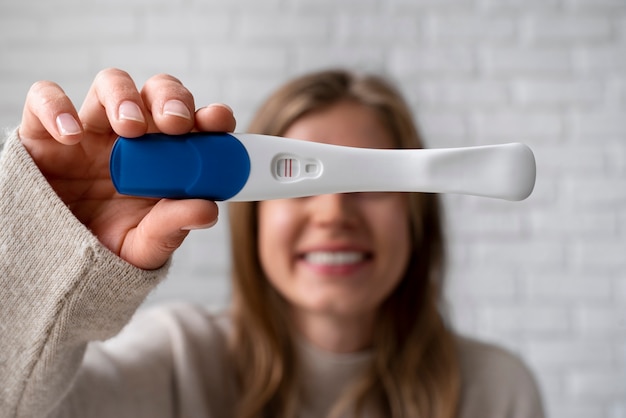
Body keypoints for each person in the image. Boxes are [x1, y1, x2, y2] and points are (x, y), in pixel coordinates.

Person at [0, 68, 544, 418]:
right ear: (252, 219)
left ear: (416, 216)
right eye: (308, 187)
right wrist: (42, 247)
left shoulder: (497, 392)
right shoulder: (175, 362)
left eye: (372, 185)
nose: (333, 214)